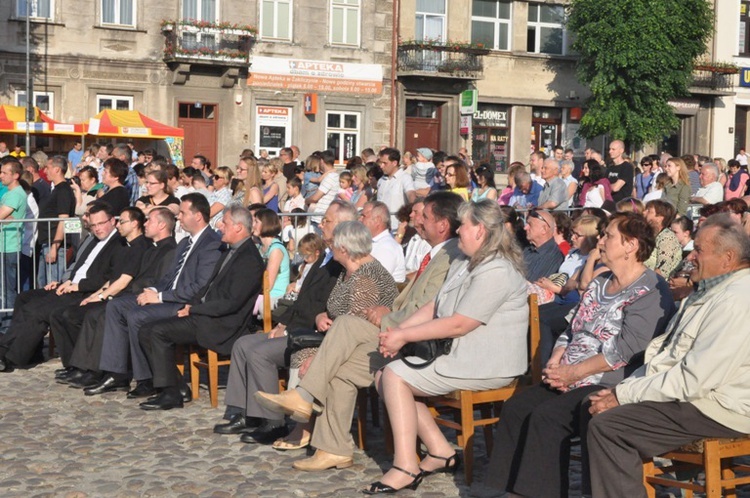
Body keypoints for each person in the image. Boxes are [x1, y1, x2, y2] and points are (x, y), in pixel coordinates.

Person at [254, 191, 464, 470]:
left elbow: (432, 306)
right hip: (393, 332)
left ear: (442, 225)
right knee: (339, 369)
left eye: (424, 216)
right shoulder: (435, 254)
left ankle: (304, 396)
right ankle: (333, 449)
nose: (415, 219)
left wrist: (391, 316)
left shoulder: (450, 257)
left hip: (412, 341)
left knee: (346, 325)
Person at [481, 212, 675, 497]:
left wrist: (574, 372)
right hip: (569, 372)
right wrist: (555, 361)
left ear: (631, 245)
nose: (601, 240)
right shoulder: (599, 282)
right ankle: (507, 489)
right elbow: (573, 327)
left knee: (547, 417)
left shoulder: (649, 289)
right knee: (516, 408)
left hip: (608, 379)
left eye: (609, 235)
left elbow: (626, 349)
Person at [365, 200, 528, 494]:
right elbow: (435, 305)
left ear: (480, 230)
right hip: (463, 356)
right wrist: (398, 331)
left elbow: (459, 324)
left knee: (394, 376)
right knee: (385, 376)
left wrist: (406, 338)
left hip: (487, 362)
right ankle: (440, 450)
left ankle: (405, 466)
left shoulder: (497, 270)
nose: (458, 230)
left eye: (463, 225)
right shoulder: (466, 262)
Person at [587, 214, 750, 498]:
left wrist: (624, 395)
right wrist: (621, 390)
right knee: (592, 405)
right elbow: (664, 356)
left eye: (699, 250)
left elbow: (695, 378)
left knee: (609, 427)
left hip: (722, 407)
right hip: (700, 396)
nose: (691, 257)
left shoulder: (736, 299)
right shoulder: (709, 291)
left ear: (727, 258)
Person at [211, 201, 354, 443]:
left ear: (343, 226)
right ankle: (247, 413)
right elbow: (301, 299)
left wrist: (290, 328)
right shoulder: (325, 257)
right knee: (243, 344)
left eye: (327, 220)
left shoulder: (342, 263)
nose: (321, 224)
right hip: (298, 324)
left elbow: (324, 307)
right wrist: (282, 324)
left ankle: (272, 422)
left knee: (259, 353)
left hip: (312, 334)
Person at [137, 205, 265, 410]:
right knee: (146, 329)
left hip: (221, 324)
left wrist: (194, 310)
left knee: (156, 332)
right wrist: (191, 304)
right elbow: (206, 287)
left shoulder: (248, 259)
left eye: (224, 222)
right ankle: (176, 387)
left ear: (239, 228)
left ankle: (171, 394)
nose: (220, 226)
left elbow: (230, 303)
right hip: (205, 314)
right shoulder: (230, 251)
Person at [96, 193, 222, 397]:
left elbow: (200, 287)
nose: (178, 217)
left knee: (136, 315)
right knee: (117, 305)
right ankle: (118, 372)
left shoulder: (211, 243)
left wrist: (160, 297)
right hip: (168, 295)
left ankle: (147, 379)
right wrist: (154, 290)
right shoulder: (185, 243)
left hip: (183, 303)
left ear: (198, 216)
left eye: (182, 212)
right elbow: (169, 276)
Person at [62, 208, 177, 393]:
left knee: (103, 312)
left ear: (162, 225)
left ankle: (113, 373)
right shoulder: (149, 248)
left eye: (149, 221)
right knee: (92, 312)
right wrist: (98, 295)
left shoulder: (168, 249)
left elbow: (154, 281)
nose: (145, 223)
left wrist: (101, 295)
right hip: (131, 294)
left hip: (145, 296)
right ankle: (94, 369)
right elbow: (119, 278)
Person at [0, 202, 124, 371]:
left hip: (86, 291)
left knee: (37, 309)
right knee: (25, 298)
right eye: (94, 225)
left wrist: (77, 286)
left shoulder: (119, 244)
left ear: (113, 221)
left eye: (101, 224)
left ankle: (10, 355)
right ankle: (29, 351)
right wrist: (63, 282)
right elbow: (79, 267)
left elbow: (108, 278)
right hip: (71, 285)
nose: (97, 228)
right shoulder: (92, 240)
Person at [50, 207, 150, 378]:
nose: (118, 225)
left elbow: (123, 281)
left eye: (122, 221)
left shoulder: (140, 246)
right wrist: (95, 295)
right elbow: (112, 279)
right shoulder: (126, 246)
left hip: (124, 297)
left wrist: (101, 296)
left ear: (134, 224)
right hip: (112, 294)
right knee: (61, 314)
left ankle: (89, 368)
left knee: (81, 315)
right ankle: (77, 365)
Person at [37, 156, 76, 287]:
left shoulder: (64, 190)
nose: (45, 171)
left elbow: (63, 219)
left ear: (57, 169)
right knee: (43, 283)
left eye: (47, 167)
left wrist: (55, 246)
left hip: (55, 245)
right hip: (48, 243)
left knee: (53, 284)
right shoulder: (57, 189)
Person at [0, 158, 28, 312]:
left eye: (4, 173)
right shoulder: (11, 193)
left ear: (15, 175)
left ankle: (6, 325)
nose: (1, 175)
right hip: (5, 245)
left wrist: (3, 218)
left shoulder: (15, 194)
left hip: (8, 247)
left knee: (6, 289)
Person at [253, 209, 290, 316]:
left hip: (274, 295)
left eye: (256, 222)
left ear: (266, 224)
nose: (253, 225)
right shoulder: (260, 247)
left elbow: (268, 284)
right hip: (262, 294)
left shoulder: (276, 249)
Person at [359, 201, 406, 283]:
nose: (360, 219)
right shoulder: (372, 242)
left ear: (377, 220)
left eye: (364, 216)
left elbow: (373, 283)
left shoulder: (387, 248)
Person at [377, 148, 417, 229]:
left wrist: (413, 212)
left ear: (394, 163)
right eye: (381, 163)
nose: (381, 166)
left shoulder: (405, 178)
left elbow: (411, 194)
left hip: (396, 224)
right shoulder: (381, 180)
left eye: (385, 163)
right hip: (380, 223)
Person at [523, 209, 565, 282]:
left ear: (544, 229)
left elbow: (534, 283)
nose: (525, 228)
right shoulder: (527, 250)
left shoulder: (554, 257)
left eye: (530, 225)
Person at [644, 199, 682, 277]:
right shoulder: (649, 235)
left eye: (649, 211)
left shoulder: (667, 238)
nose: (644, 213)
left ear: (660, 218)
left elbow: (662, 270)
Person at [306, 151, 340, 228]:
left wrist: (306, 200)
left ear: (321, 161)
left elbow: (315, 198)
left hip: (320, 218)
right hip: (322, 216)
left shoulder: (330, 177)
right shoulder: (335, 176)